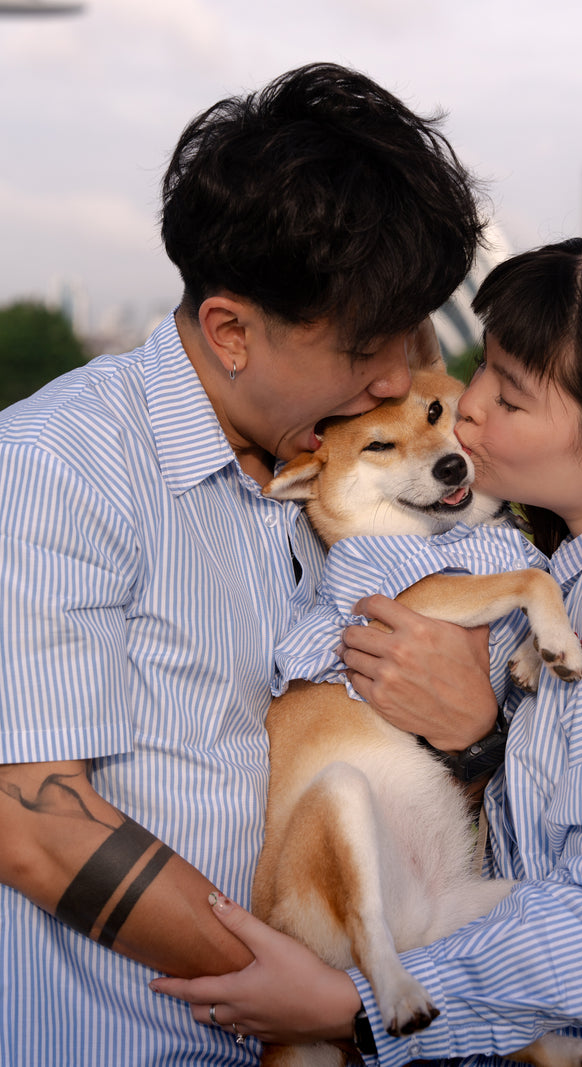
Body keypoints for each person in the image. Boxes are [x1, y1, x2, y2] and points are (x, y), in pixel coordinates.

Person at [151, 225, 582, 1067]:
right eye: (484, 367)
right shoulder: (577, 570)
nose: (472, 407)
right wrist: (476, 740)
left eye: (514, 398)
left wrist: (353, 1005)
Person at [0, 62, 499, 1066]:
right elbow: (31, 822)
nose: (396, 380)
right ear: (230, 331)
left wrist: (473, 738)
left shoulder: (327, 463)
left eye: (406, 337)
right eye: (365, 347)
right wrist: (335, 999)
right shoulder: (60, 465)